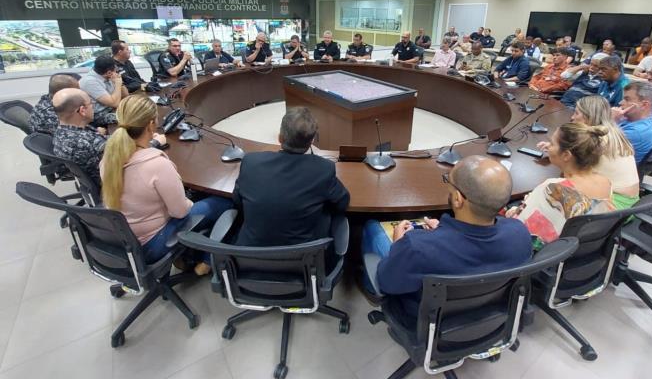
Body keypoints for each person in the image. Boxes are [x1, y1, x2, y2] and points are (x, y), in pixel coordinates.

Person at [364, 155, 532, 317]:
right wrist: (443, 231)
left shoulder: (415, 247)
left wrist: (398, 246)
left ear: (458, 199)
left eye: (448, 180)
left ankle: (368, 288)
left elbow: (387, 283)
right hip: (489, 313)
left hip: (426, 319)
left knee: (372, 228)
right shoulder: (521, 234)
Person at [100, 94, 232, 272]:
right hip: (152, 244)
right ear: (151, 125)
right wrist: (192, 202)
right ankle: (205, 260)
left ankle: (189, 254)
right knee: (223, 202)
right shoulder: (157, 164)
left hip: (123, 241)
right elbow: (180, 212)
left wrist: (153, 144)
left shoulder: (109, 159)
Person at [233, 107, 350, 249]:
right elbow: (342, 202)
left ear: (280, 137)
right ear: (311, 141)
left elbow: (237, 200)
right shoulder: (323, 169)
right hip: (301, 262)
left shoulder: (251, 162)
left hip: (249, 257)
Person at [507, 123, 615, 244]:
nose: (549, 147)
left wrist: (513, 211)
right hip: (575, 250)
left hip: (541, 254)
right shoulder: (606, 182)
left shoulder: (553, 189)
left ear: (566, 155)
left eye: (552, 144)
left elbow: (522, 229)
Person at [566, 96, 640, 209]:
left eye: (576, 113)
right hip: (630, 203)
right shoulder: (615, 133)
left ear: (588, 116)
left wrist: (556, 150)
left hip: (612, 206)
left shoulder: (595, 140)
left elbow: (571, 171)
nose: (572, 117)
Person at [52, 88, 107, 185]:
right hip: (109, 187)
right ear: (82, 110)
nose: (93, 106)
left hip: (89, 182)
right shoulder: (92, 142)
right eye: (91, 103)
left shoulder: (60, 131)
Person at [612, 81, 652, 164]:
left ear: (644, 105)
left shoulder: (637, 132)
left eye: (627, 99)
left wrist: (611, 121)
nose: (620, 103)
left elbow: (596, 147)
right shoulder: (636, 118)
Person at [79, 55, 127, 126]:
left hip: (111, 110)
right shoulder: (89, 82)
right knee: (129, 117)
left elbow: (126, 95)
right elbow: (114, 103)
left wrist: (120, 83)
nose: (116, 70)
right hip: (97, 116)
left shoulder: (107, 76)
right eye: (115, 68)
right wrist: (117, 84)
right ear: (109, 72)